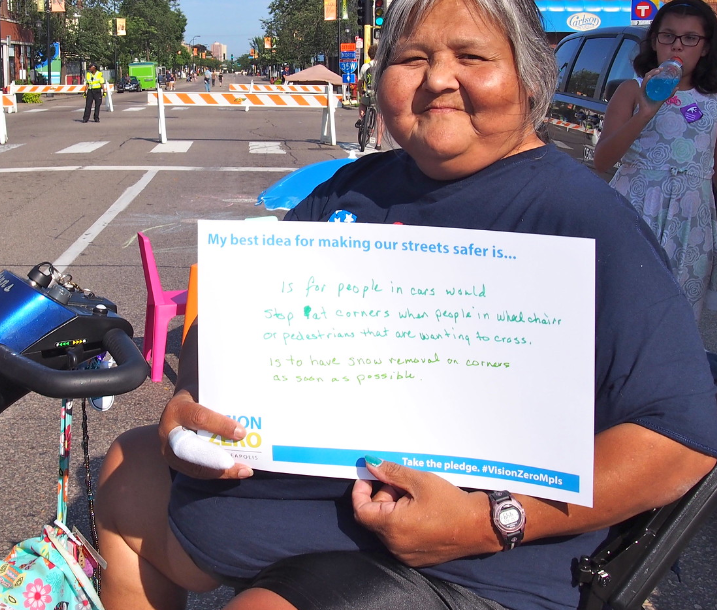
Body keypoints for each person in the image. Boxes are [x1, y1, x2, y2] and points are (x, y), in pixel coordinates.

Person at [96, 0, 717, 609]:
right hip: (295, 506)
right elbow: (236, 318)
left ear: (532, 79)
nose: (439, 79)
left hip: (462, 565)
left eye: (471, 56)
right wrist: (191, 401)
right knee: (129, 467)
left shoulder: (581, 218)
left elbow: (680, 439)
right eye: (412, 57)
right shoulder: (351, 189)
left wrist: (489, 519)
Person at [593, 0, 717, 322]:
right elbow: (603, 159)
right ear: (654, 41)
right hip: (637, 206)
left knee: (680, 313)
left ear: (705, 48)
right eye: (668, 36)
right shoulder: (632, 91)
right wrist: (647, 110)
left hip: (693, 217)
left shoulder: (713, 100)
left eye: (690, 38)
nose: (677, 45)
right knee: (626, 305)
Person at [355, 43, 387, 150]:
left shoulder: (365, 66)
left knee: (362, 104)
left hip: (368, 94)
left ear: (369, 55)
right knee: (380, 118)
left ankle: (361, 117)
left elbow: (359, 83)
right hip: (379, 96)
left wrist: (361, 92)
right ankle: (378, 143)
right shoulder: (384, 67)